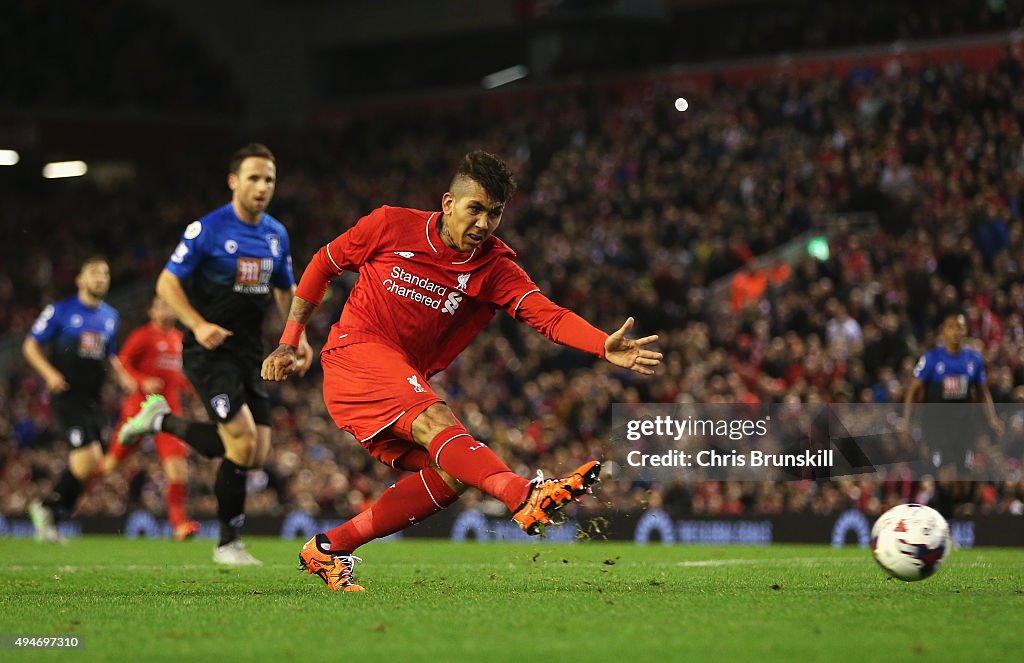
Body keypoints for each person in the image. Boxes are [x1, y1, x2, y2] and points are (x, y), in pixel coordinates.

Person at [261, 150, 662, 591]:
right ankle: (523, 494)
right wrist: (289, 338)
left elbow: (547, 315)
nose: (484, 224)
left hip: (398, 378)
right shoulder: (391, 224)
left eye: (495, 214)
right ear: (448, 203)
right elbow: (323, 263)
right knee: (439, 421)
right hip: (355, 353)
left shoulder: (494, 268)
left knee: (456, 471)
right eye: (475, 209)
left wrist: (601, 346)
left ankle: (330, 547)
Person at [119, 143, 312, 565]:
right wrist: (197, 324)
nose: (262, 187)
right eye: (254, 178)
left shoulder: (275, 234)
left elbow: (285, 288)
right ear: (234, 181)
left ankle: (161, 420)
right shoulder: (207, 229)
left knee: (256, 451)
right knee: (240, 440)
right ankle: (227, 543)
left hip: (249, 353)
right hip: (209, 353)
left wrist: (296, 336)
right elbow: (167, 285)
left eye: (269, 180)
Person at [23, 256, 136, 543]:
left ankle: (53, 511)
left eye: (105, 274)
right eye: (94, 274)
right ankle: (48, 508)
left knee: (93, 466)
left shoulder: (110, 316)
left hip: (94, 399)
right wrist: (49, 374)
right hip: (67, 394)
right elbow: (31, 345)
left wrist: (121, 377)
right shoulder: (61, 311)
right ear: (80, 280)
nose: (101, 279)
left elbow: (108, 355)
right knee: (88, 460)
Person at [103, 296, 200, 542]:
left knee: (178, 469)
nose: (166, 310)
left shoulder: (179, 338)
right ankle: (68, 502)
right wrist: (140, 381)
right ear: (151, 310)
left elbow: (177, 375)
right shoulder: (142, 336)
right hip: (138, 411)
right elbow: (121, 362)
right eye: (161, 305)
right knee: (111, 465)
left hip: (168, 414)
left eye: (170, 305)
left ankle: (179, 526)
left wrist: (192, 389)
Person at [904, 312, 1003, 490]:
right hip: (937, 424)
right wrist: (907, 423)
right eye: (951, 327)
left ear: (965, 330)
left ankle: (962, 511)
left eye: (960, 327)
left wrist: (992, 419)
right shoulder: (931, 360)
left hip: (964, 424)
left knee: (965, 474)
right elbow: (913, 392)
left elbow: (982, 392)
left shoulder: (974, 360)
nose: (956, 332)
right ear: (944, 331)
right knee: (946, 470)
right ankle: (945, 509)